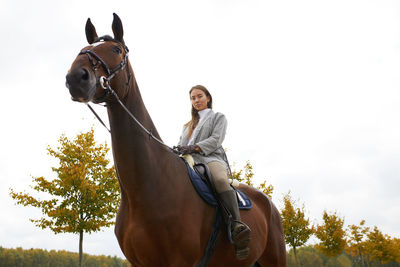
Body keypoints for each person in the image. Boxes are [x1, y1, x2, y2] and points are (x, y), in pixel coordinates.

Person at [177, 85, 251, 260]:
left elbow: (216, 139)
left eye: (199, 96)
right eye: (193, 98)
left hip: (211, 158)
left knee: (219, 180)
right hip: (187, 160)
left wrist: (195, 147)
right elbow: (181, 143)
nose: (196, 101)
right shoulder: (187, 125)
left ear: (208, 97)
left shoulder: (218, 117)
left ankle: (236, 224)